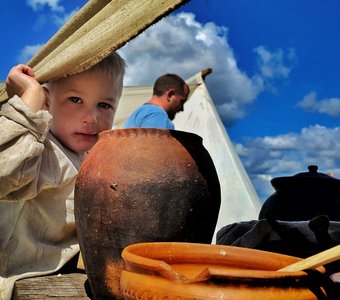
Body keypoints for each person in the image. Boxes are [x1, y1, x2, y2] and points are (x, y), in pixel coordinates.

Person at [0, 52, 126, 300]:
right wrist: (28, 101)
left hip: (58, 273)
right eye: (75, 99)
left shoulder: (89, 157)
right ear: (47, 102)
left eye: (104, 105)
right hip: (13, 278)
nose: (91, 118)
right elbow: (4, 172)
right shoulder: (40, 147)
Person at [122, 73, 190, 129]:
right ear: (170, 95)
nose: (182, 109)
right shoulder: (157, 115)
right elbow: (152, 145)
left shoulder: (139, 113)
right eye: (182, 101)